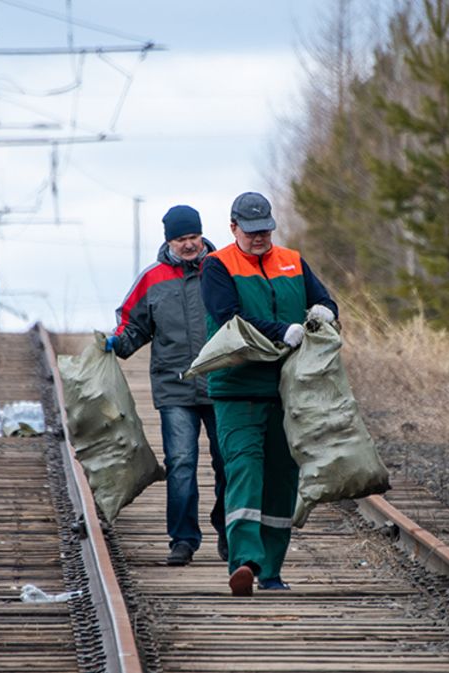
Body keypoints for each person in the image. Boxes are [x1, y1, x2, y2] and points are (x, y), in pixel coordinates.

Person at [201, 191, 338, 596]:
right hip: (237, 388)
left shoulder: (293, 261)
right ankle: (244, 561)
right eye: (251, 231)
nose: (259, 238)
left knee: (282, 479)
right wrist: (282, 331)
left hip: (288, 390)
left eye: (265, 231)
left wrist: (325, 311)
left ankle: (272, 571)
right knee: (244, 471)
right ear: (233, 228)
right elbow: (228, 318)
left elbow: (323, 299)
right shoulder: (217, 266)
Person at [106, 204, 227, 566]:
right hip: (175, 387)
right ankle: (183, 540)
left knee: (229, 463)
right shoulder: (152, 279)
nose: (189, 245)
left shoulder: (223, 270)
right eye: (181, 240)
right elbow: (133, 325)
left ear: (202, 235)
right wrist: (116, 343)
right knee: (181, 462)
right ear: (168, 242)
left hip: (223, 382)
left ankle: (230, 533)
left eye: (193, 237)